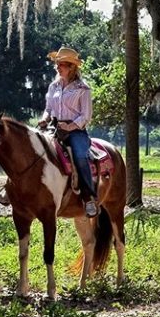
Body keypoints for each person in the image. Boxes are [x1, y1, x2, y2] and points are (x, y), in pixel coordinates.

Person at [38, 46, 97, 217]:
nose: (58, 67)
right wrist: (45, 118)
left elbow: (86, 116)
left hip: (76, 132)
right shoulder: (53, 86)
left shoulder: (83, 89)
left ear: (72, 67)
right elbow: (48, 108)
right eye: (57, 64)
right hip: (54, 128)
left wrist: (69, 127)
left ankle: (88, 197)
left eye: (62, 64)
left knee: (80, 156)